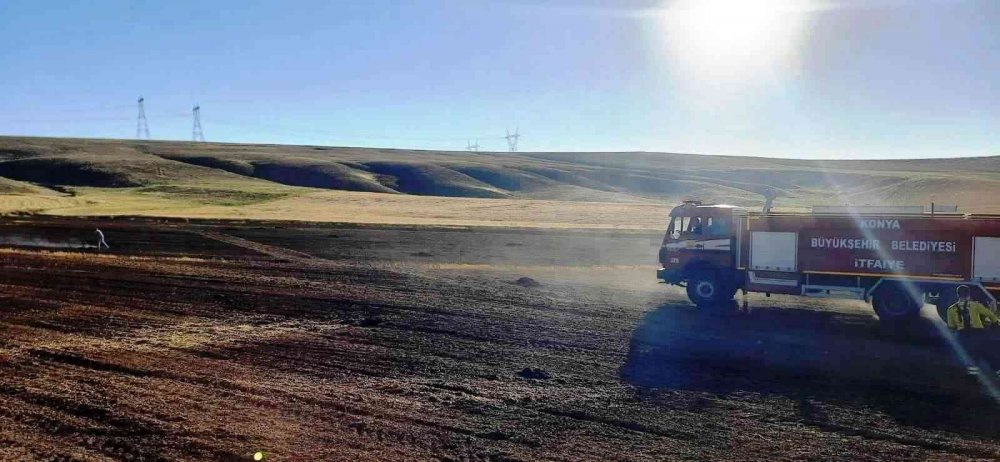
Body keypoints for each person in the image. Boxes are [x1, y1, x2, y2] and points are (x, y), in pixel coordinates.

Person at [947, 285, 1000, 376]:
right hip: (978, 334)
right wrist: (994, 325)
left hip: (963, 336)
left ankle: (967, 376)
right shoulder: (975, 305)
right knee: (990, 355)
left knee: (964, 357)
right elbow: (992, 316)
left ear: (957, 295)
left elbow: (951, 327)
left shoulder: (951, 309)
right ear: (969, 294)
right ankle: (997, 372)